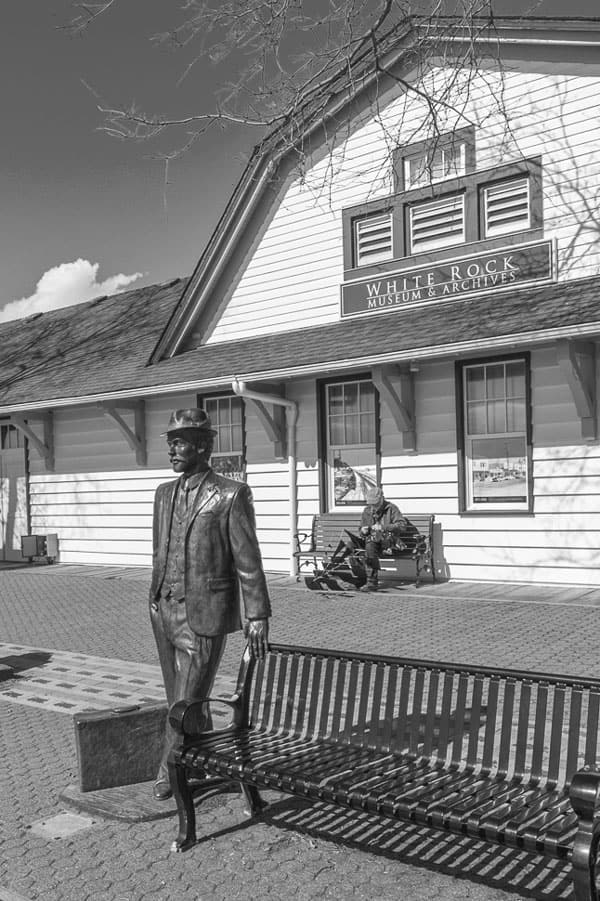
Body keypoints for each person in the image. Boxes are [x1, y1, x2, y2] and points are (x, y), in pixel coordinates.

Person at [149, 408, 271, 800]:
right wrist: (155, 596)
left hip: (204, 612)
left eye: (179, 442)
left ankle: (170, 771)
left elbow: (248, 560)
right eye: (170, 442)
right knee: (181, 698)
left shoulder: (231, 494)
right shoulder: (163, 494)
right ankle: (207, 760)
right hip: (163, 608)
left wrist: (257, 614)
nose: (171, 450)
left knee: (185, 700)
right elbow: (160, 551)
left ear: (203, 446)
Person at [351, 487, 408, 592]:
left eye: (375, 503)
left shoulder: (392, 508)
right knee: (350, 545)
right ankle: (360, 578)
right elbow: (361, 529)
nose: (373, 506)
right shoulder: (367, 510)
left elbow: (402, 526)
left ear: (382, 499)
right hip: (370, 539)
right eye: (371, 503)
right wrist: (362, 531)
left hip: (387, 541)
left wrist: (383, 527)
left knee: (370, 545)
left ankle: (372, 582)